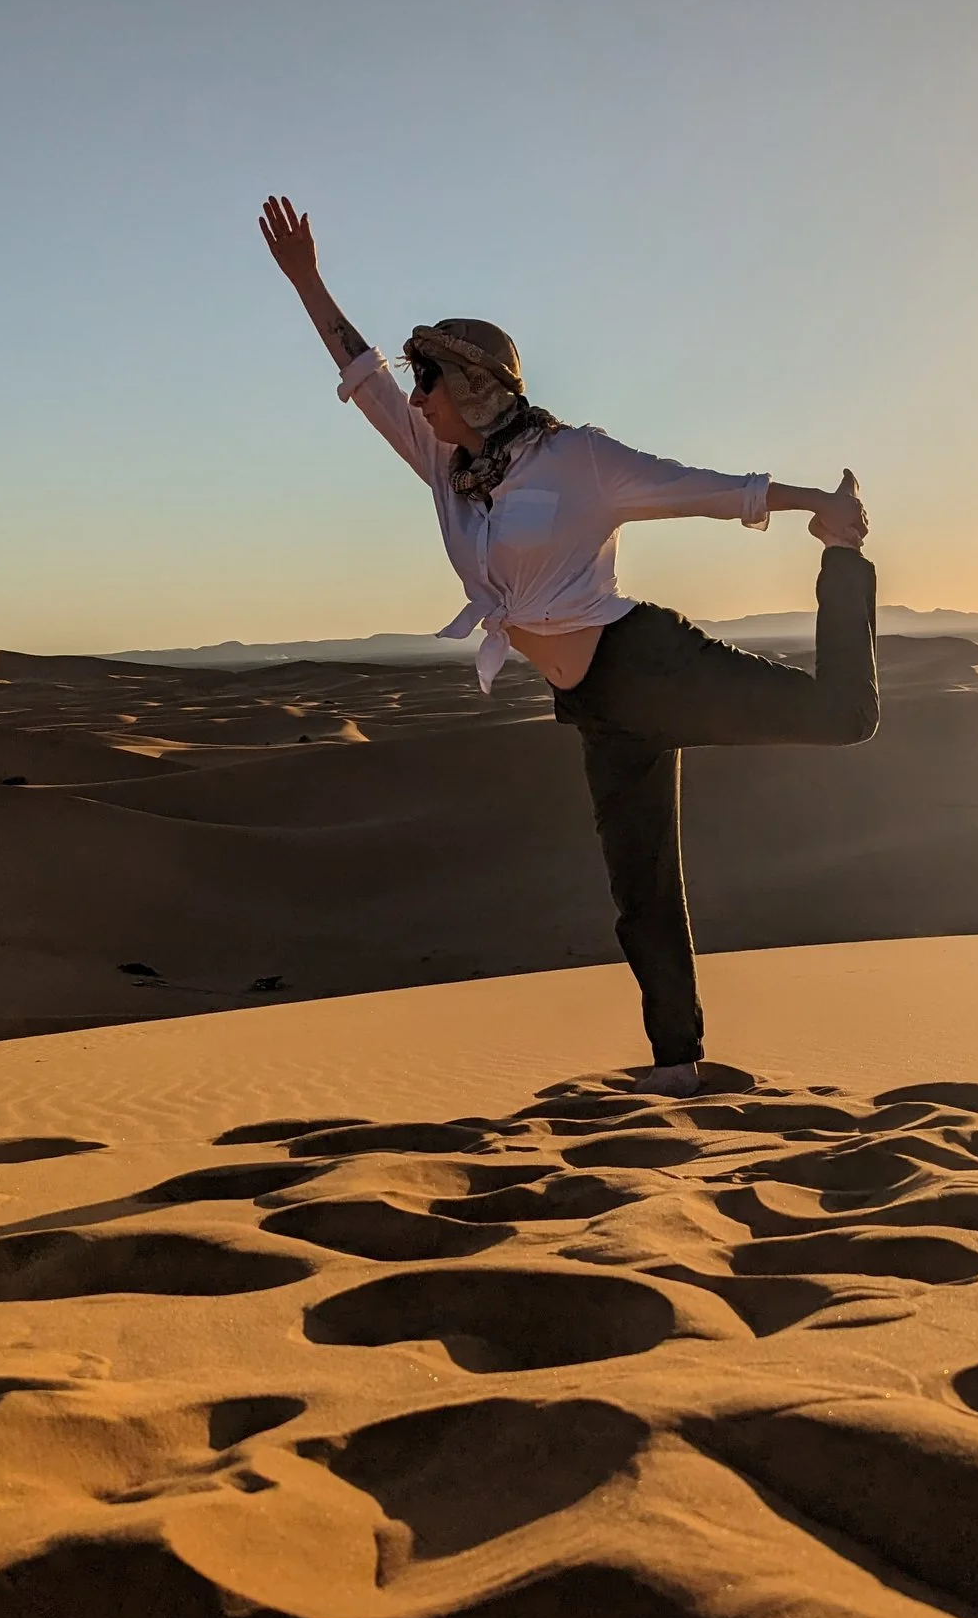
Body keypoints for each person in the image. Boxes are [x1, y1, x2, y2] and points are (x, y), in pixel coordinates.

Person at [259, 195, 877, 1097]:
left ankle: (848, 568)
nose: (417, 399)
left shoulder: (575, 458)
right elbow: (363, 377)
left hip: (647, 664)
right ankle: (678, 1069)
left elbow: (701, 489)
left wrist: (815, 507)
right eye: (418, 386)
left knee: (843, 718)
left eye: (428, 382)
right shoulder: (445, 465)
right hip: (594, 707)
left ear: (474, 385)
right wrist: (307, 281)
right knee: (643, 895)